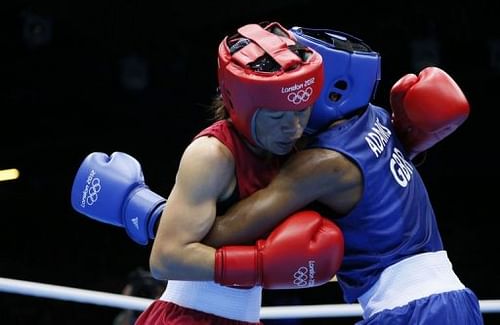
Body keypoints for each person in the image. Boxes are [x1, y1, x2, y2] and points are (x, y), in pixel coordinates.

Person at [201, 27, 483, 324]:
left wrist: (160, 217)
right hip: (451, 302)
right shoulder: (378, 118)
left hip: (413, 311)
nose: (293, 84)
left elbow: (222, 234)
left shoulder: (324, 163)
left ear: (331, 87)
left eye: (303, 76)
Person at [71, 21, 344, 325]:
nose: (293, 127)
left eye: (302, 110)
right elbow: (165, 257)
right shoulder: (212, 156)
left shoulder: (295, 148)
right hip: (187, 318)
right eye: (278, 116)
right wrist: (261, 265)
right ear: (239, 105)